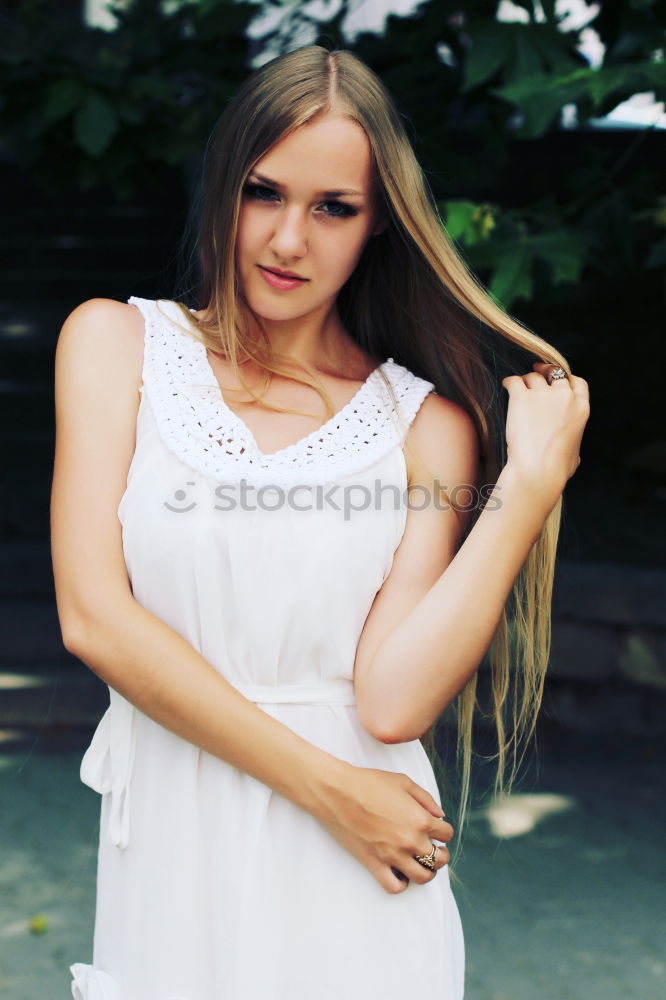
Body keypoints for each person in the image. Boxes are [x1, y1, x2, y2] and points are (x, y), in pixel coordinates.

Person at [51, 44, 589, 1000]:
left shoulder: (427, 427)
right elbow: (96, 619)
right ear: (224, 188)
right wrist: (332, 792)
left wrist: (529, 488)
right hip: (200, 850)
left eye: (333, 207)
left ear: (379, 223)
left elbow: (389, 703)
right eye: (265, 192)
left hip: (361, 875)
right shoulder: (116, 345)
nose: (288, 239)